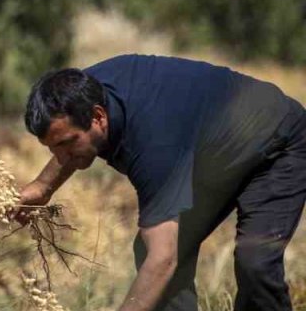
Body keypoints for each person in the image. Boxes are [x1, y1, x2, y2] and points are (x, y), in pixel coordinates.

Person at [19, 54, 306, 311]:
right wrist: (43, 187)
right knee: (149, 251)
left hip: (277, 143)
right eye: (51, 147)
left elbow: (163, 260)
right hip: (209, 151)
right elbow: (68, 137)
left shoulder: (153, 145)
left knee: (254, 261)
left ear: (98, 117)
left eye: (67, 144)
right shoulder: (78, 92)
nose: (60, 157)